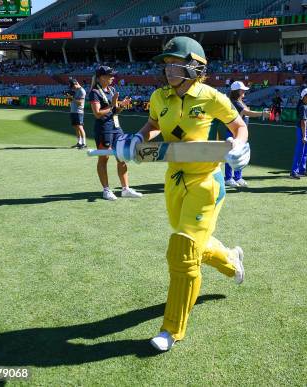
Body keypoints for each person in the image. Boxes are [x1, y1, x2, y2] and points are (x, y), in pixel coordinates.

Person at [121, 37, 249, 352]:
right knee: (193, 243)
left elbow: (239, 126)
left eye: (174, 63)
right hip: (174, 179)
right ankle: (231, 260)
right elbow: (153, 125)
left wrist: (238, 145)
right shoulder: (158, 96)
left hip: (206, 181)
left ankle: (171, 330)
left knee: (182, 250)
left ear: (194, 65)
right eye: (165, 64)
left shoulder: (212, 97)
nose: (168, 69)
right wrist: (136, 138)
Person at [89, 66, 142, 201]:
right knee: (104, 158)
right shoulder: (94, 92)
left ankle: (125, 189)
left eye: (113, 75)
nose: (113, 77)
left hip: (116, 127)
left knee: (122, 156)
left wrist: (122, 105)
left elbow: (115, 111)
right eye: (109, 75)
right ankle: (106, 190)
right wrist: (113, 106)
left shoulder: (112, 90)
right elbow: (97, 113)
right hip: (103, 129)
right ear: (101, 77)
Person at [224, 81, 269, 187]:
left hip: (240, 133)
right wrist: (262, 113)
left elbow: (246, 112)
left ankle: (237, 177)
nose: (244, 91)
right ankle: (228, 178)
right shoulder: (235, 102)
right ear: (237, 91)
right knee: (231, 156)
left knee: (240, 156)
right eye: (242, 90)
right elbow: (247, 112)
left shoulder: (239, 101)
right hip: (233, 132)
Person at [290, 88, 307, 179]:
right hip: (303, 131)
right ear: (305, 96)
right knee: (300, 152)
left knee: (305, 152)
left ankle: (302, 170)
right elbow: (303, 122)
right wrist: (304, 135)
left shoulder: (305, 105)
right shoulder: (302, 107)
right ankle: (294, 172)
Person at [68, 79, 87, 149]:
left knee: (80, 127)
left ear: (76, 84)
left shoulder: (82, 91)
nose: (72, 88)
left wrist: (72, 98)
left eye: (73, 86)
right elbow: (73, 101)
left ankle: (84, 143)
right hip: (73, 111)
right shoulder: (75, 90)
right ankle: (79, 142)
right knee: (76, 127)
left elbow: (80, 102)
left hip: (79, 112)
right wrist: (69, 98)